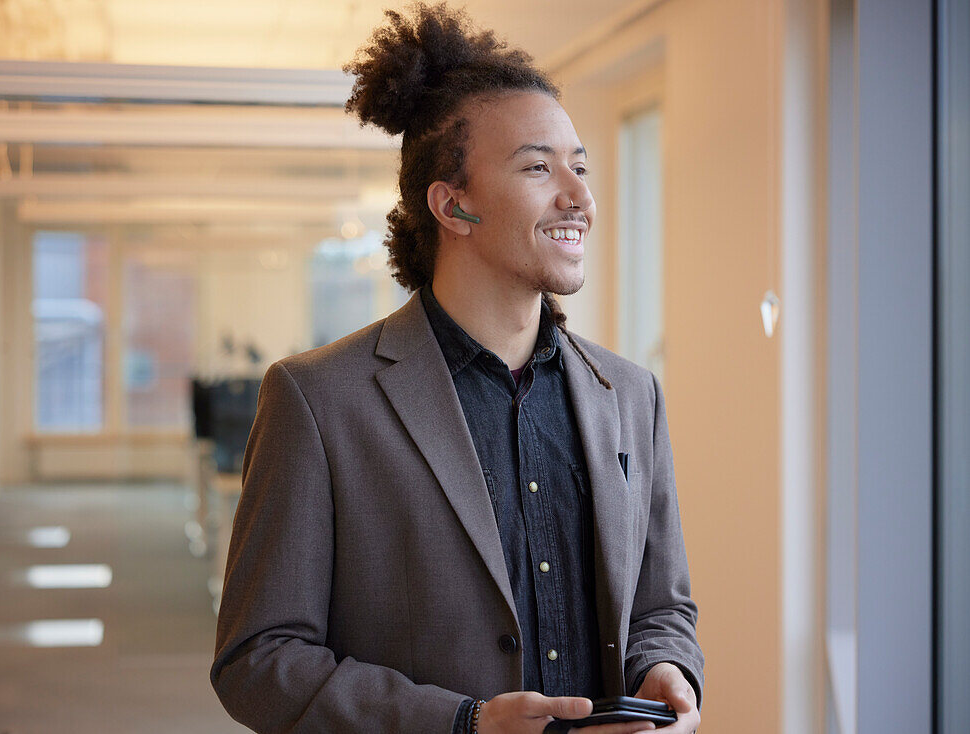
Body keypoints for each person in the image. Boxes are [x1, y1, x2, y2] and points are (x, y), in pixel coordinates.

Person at [211, 4, 703, 733]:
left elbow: (662, 606)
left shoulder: (630, 394)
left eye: (581, 166)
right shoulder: (319, 400)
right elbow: (259, 659)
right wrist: (461, 724)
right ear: (453, 204)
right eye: (538, 167)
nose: (580, 196)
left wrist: (664, 668)